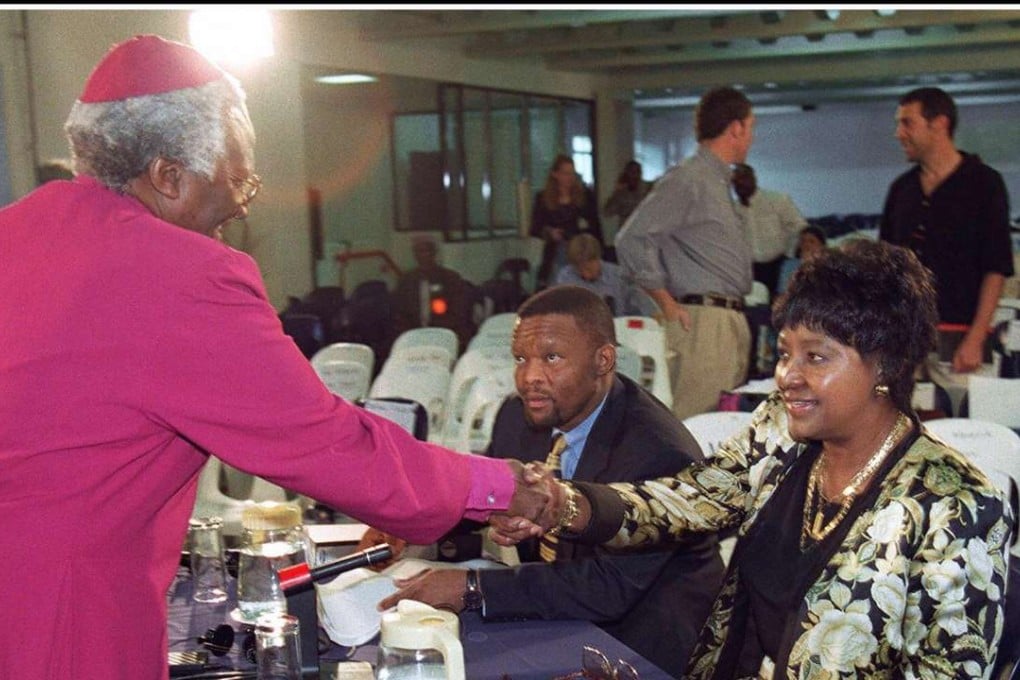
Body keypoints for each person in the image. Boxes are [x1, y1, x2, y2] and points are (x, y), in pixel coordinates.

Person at [0, 35, 547, 680]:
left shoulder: (16, 233)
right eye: (236, 189)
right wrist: (498, 484)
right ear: (168, 177)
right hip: (58, 620)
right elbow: (328, 443)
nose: (233, 218)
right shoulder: (176, 275)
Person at [497, 240, 1012, 678]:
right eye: (785, 353)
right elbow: (687, 501)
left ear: (887, 364)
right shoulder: (781, 432)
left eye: (816, 356)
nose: (787, 375)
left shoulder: (958, 507)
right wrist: (559, 503)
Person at [372, 285, 724, 676]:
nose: (529, 377)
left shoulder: (657, 451)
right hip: (557, 618)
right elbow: (484, 502)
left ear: (603, 360)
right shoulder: (520, 415)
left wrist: (472, 588)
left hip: (641, 644)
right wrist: (414, 527)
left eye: (551, 357)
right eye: (521, 358)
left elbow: (607, 589)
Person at [615, 86, 756, 420]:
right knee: (696, 425)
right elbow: (632, 238)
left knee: (723, 426)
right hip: (702, 322)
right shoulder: (690, 178)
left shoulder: (717, 181)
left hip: (727, 319)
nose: (751, 138)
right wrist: (665, 301)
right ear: (735, 128)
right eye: (751, 128)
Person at [880, 86, 1014, 374]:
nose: (898, 134)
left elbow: (996, 267)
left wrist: (976, 338)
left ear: (939, 124)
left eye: (907, 123)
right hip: (905, 339)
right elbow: (885, 269)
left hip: (963, 337)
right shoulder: (901, 190)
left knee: (964, 417)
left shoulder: (984, 184)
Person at [732, 162, 808, 297]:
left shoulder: (778, 200)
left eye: (743, 179)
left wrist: (789, 254)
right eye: (735, 181)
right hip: (748, 269)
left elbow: (799, 227)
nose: (740, 184)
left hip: (778, 265)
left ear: (753, 179)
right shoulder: (731, 208)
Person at [530, 154, 603, 290]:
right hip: (557, 252)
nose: (570, 177)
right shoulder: (543, 198)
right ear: (555, 174)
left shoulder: (585, 196)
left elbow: (596, 226)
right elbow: (534, 228)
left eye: (572, 173)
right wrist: (550, 232)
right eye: (565, 173)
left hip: (582, 250)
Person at [392, 233, 476, 351]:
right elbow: (399, 313)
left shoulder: (451, 278)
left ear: (434, 253)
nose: (424, 255)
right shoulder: (406, 281)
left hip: (444, 334)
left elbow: (459, 313)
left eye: (427, 251)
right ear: (415, 255)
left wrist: (433, 334)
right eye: (420, 252)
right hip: (414, 337)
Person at [552, 233, 651, 316]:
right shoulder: (565, 278)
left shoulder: (619, 275)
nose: (585, 275)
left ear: (598, 258)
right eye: (579, 270)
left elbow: (640, 307)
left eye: (589, 269)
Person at [776, 225, 827, 294]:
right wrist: (803, 266)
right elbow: (784, 291)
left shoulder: (830, 264)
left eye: (811, 241)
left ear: (822, 245)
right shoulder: (789, 265)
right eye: (803, 241)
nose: (806, 245)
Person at [603, 159, 651, 228]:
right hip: (626, 229)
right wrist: (616, 193)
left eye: (638, 172)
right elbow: (607, 212)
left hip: (643, 227)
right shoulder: (621, 192)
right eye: (632, 172)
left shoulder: (647, 189)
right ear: (626, 174)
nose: (635, 176)